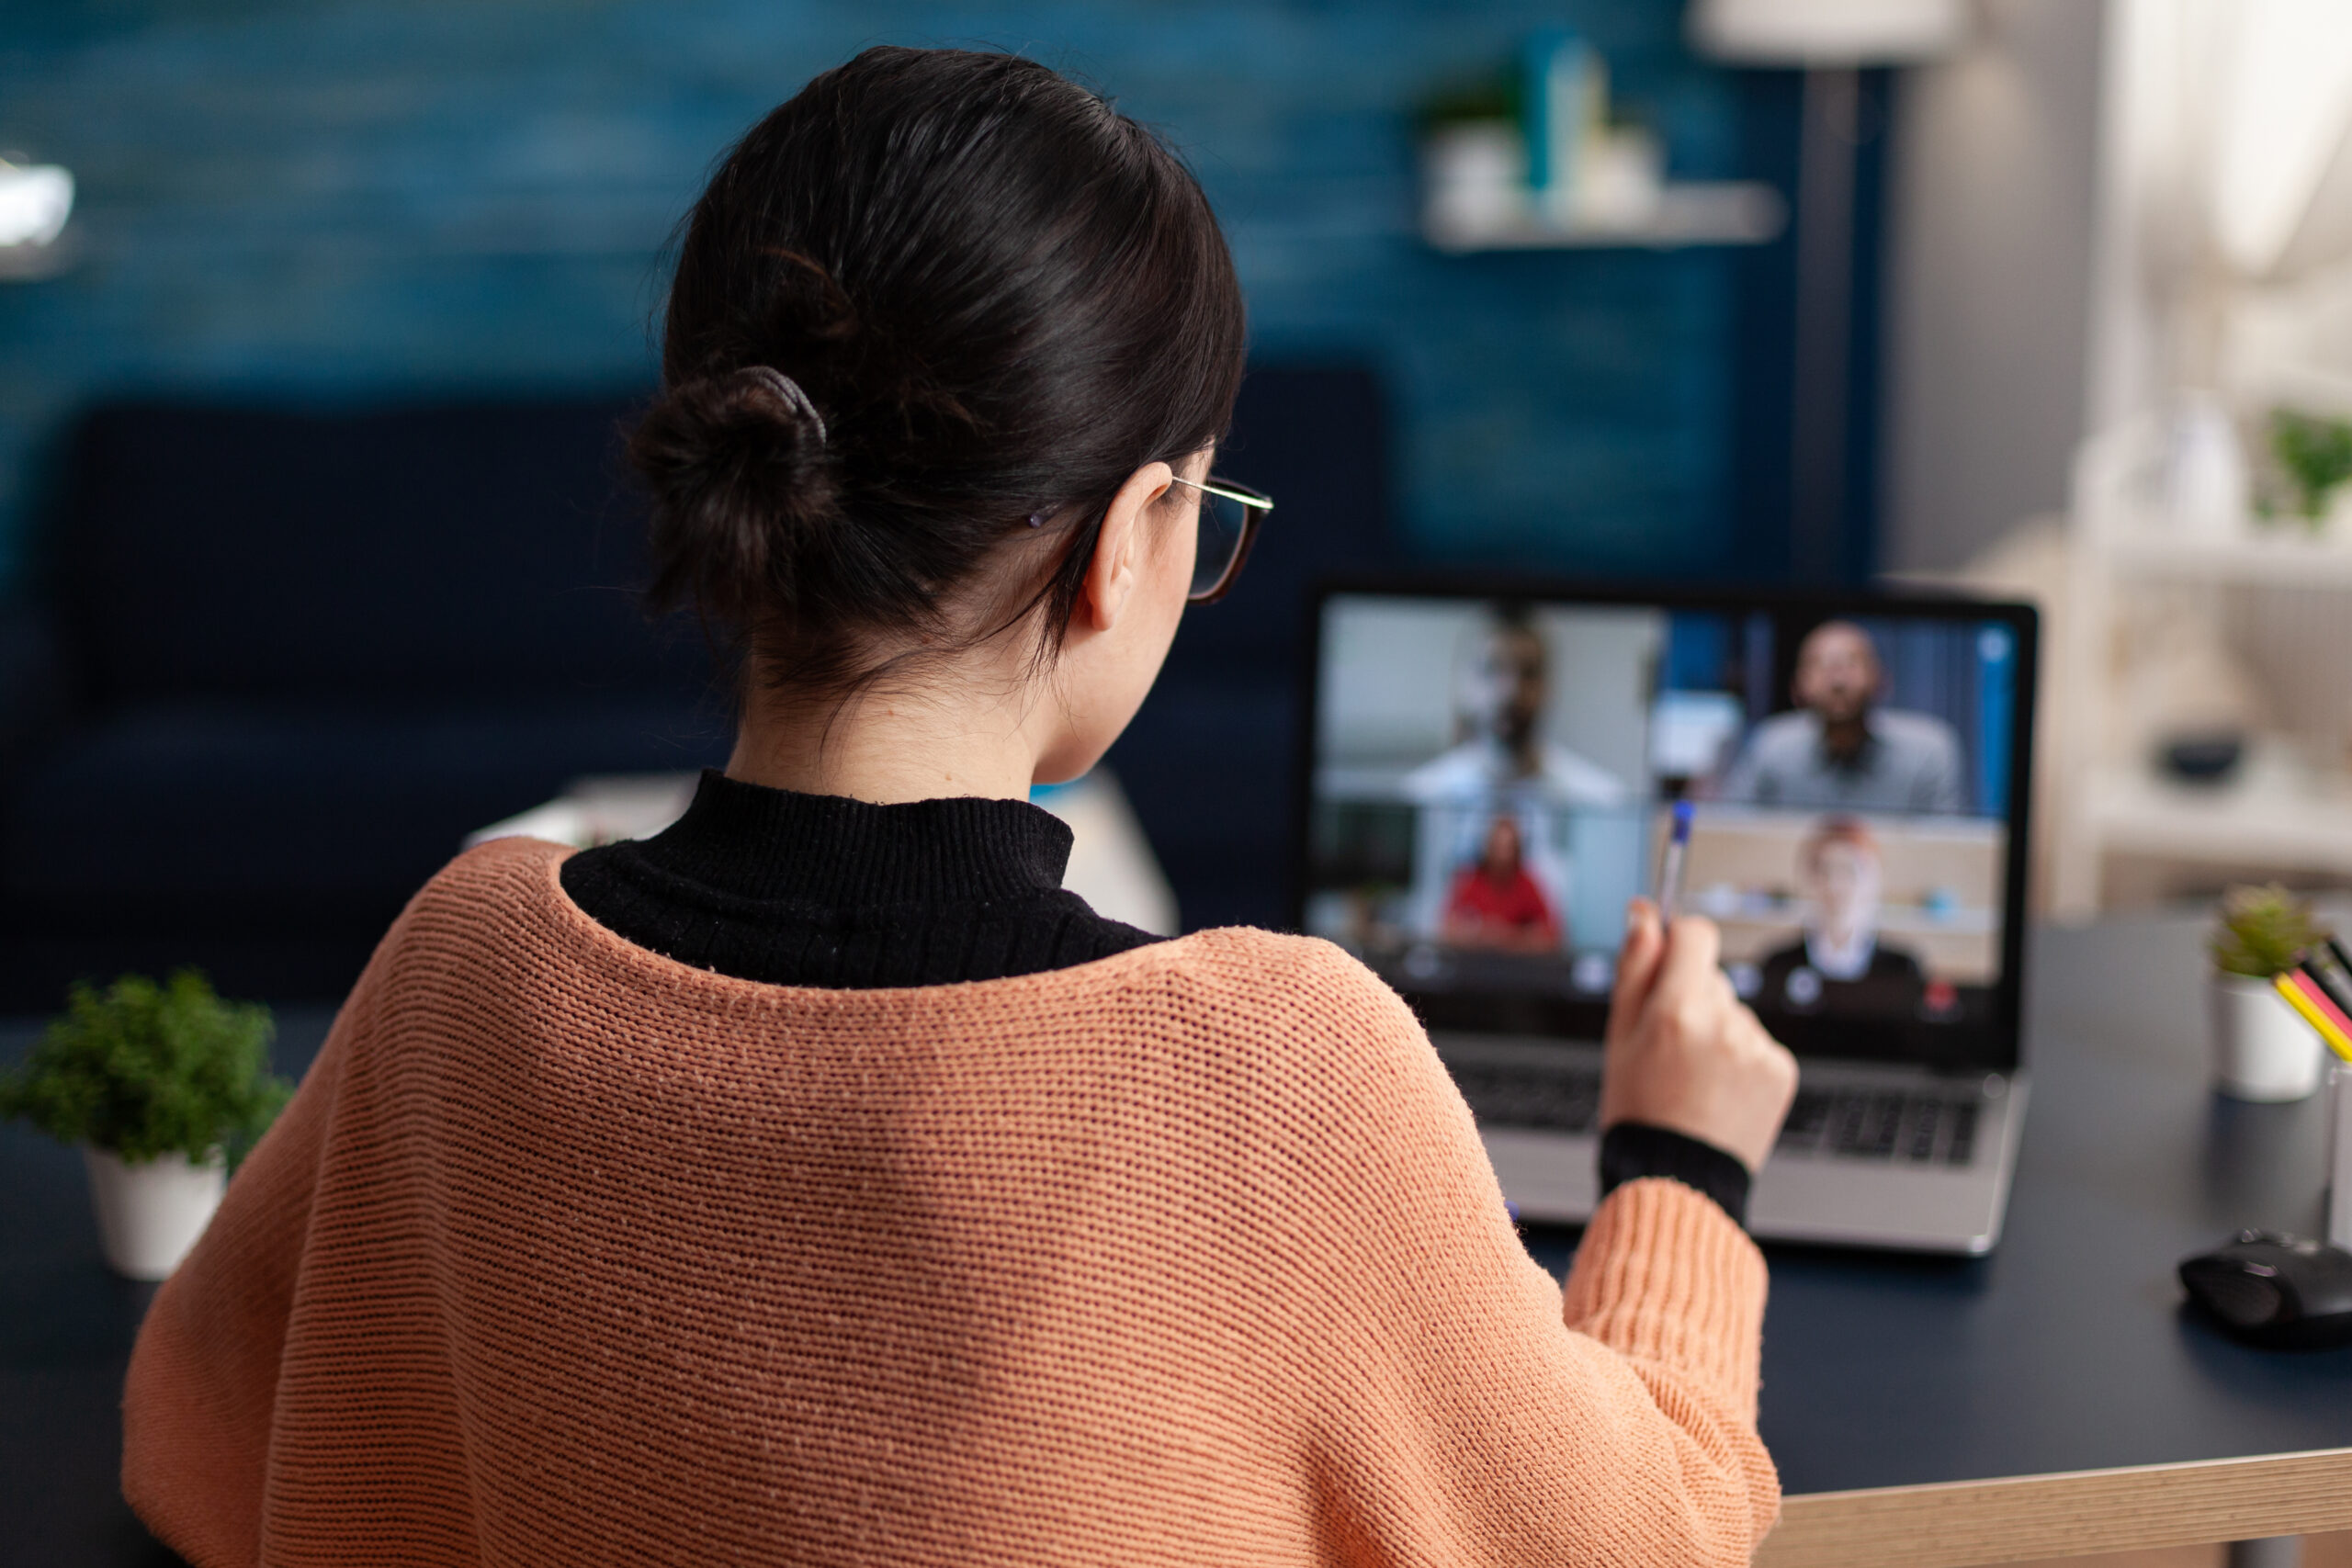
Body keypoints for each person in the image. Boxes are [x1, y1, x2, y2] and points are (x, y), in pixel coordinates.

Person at [120, 49, 1796, 1567]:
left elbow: (193, 1442)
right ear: (1128, 537)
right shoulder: (1277, 1078)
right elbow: (1647, 1534)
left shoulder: (457, 961)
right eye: (1208, 516)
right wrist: (1678, 1159)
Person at [1717, 619, 1967, 814]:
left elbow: (1947, 857)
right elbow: (1734, 834)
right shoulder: (1771, 746)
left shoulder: (1929, 751)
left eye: (1852, 664)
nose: (1837, 681)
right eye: (1821, 665)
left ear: (1882, 681)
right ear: (1796, 688)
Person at [1403, 610, 1627, 807]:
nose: (1511, 692)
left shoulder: (1601, 799)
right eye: (1492, 669)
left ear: (1548, 686)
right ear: (1463, 684)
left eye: (1528, 673)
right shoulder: (1420, 797)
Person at [1758, 817, 1928, 1016]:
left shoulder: (1902, 969)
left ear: (1877, 879)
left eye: (1850, 870)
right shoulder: (1778, 964)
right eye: (1824, 870)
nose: (1835, 884)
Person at [1441, 813, 1563, 953]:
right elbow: (1447, 929)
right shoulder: (1469, 881)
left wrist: (1510, 936)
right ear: (1487, 847)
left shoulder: (1528, 884)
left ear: (1517, 850)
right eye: (1497, 847)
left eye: (1508, 848)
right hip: (1474, 963)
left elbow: (1551, 936)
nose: (1502, 856)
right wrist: (1481, 933)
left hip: (1516, 966)